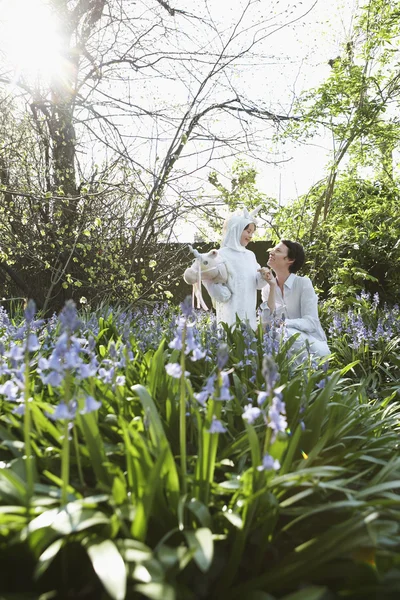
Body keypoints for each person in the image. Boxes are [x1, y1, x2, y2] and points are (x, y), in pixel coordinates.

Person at [259, 240, 330, 358]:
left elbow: (311, 322)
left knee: (280, 334)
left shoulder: (303, 283)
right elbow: (266, 321)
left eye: (278, 251)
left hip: (314, 346)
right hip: (281, 341)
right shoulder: (267, 288)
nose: (271, 252)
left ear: (290, 260)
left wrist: (283, 323)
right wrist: (272, 286)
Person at [203, 207, 268, 330]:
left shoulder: (250, 256)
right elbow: (206, 277)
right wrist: (217, 291)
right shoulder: (220, 254)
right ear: (236, 229)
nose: (250, 236)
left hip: (249, 312)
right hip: (229, 311)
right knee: (229, 342)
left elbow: (258, 284)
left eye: (252, 233)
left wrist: (263, 276)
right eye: (248, 231)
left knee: (248, 345)